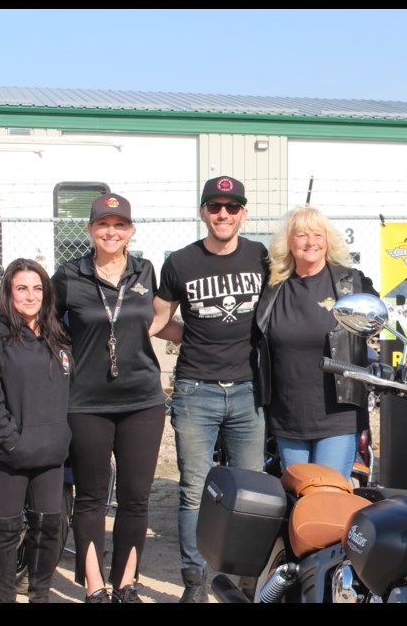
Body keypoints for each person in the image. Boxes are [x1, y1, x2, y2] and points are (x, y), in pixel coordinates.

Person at [53, 193, 180, 603]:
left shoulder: (145, 271)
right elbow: (48, 329)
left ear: (131, 230)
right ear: (90, 230)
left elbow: (160, 320)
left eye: (120, 224)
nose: (112, 231)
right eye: (103, 224)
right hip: (87, 402)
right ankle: (95, 586)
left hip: (142, 400)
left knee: (135, 497)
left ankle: (126, 584)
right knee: (91, 496)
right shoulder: (69, 276)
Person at [152, 175, 268, 603]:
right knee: (194, 488)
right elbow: (158, 319)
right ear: (202, 212)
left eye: (232, 207)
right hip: (195, 389)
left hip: (248, 391)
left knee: (252, 491)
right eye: (215, 207)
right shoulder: (180, 262)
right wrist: (195, 336)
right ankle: (195, 583)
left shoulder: (261, 256)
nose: (223, 214)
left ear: (244, 213)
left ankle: (247, 581)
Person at [0, 258, 72, 603]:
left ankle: (40, 596)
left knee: (49, 528)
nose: (30, 296)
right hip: (5, 454)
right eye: (21, 288)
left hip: (50, 452)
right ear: (8, 292)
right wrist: (13, 440)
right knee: (6, 530)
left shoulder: (57, 335)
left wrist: (62, 436)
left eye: (37, 288)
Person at [254, 205, 377, 479]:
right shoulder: (272, 287)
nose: (310, 242)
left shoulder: (351, 284)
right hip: (287, 414)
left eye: (317, 235)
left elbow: (381, 322)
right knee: (300, 495)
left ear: (327, 240)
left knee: (328, 496)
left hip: (338, 413)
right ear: (288, 242)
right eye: (301, 235)